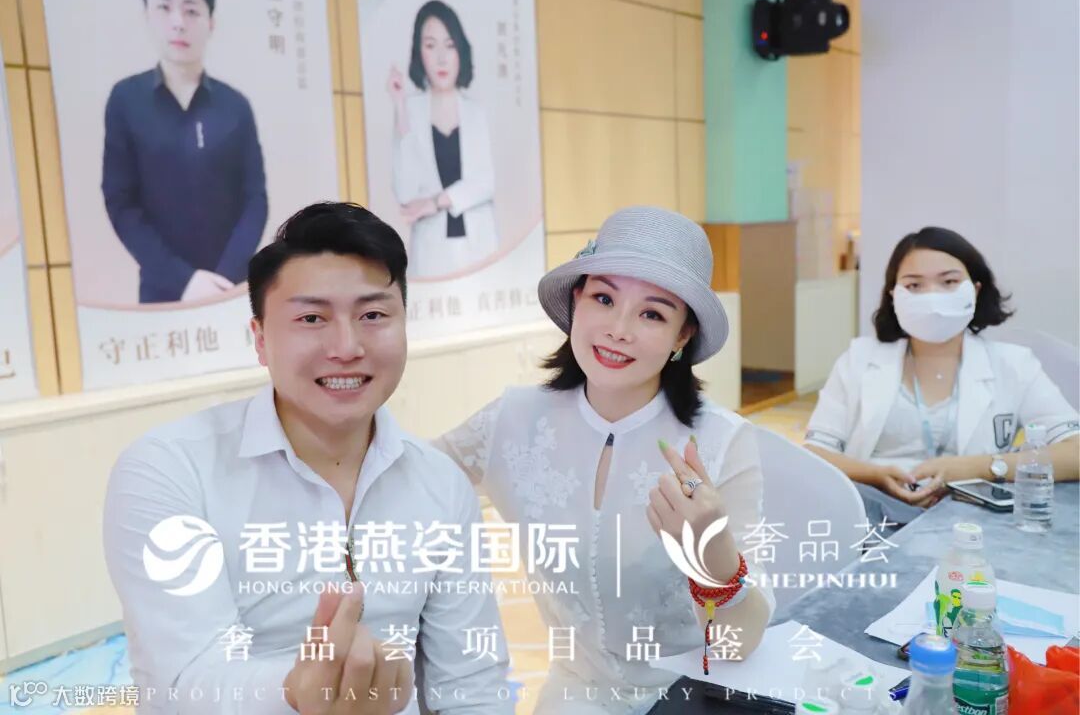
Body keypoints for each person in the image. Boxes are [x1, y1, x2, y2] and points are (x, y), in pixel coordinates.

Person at [103, 203, 512, 714]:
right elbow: (183, 680)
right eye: (311, 318)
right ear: (260, 339)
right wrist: (297, 691)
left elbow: (473, 684)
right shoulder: (170, 470)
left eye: (373, 315)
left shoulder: (440, 485)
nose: (346, 346)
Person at [436, 207, 774, 714]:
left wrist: (714, 558)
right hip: (574, 696)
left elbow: (738, 645)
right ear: (577, 300)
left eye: (652, 314)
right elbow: (407, 481)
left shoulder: (722, 442)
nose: (618, 329)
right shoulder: (513, 420)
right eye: (604, 298)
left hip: (690, 695)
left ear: (683, 335)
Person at [805, 226, 1079, 526]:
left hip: (973, 523)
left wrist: (982, 467)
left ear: (975, 290)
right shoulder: (859, 359)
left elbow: (1075, 452)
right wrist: (875, 475)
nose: (932, 297)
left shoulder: (1013, 364)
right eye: (914, 285)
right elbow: (815, 454)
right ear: (893, 295)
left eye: (949, 282)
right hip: (872, 515)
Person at [102, 0, 268, 304]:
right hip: (162, 291)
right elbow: (121, 202)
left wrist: (225, 279)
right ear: (147, 15)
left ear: (211, 22)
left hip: (232, 287)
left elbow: (255, 198)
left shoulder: (236, 106)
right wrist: (183, 280)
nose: (178, 22)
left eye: (191, 10)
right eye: (164, 7)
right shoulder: (126, 100)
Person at [387, 0, 497, 279]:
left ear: (460, 50)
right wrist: (399, 106)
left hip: (479, 247)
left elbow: (485, 183)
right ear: (419, 52)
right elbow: (406, 193)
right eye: (430, 45)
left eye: (449, 45)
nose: (441, 58)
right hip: (431, 252)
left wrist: (436, 202)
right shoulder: (409, 110)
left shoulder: (476, 112)